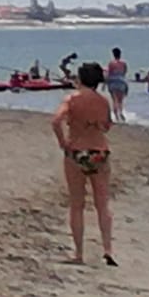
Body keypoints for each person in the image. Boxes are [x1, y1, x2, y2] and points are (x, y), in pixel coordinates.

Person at [51, 62, 116, 267]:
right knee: (102, 203)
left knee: (77, 204)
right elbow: (106, 126)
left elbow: (56, 120)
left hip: (77, 152)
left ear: (80, 79)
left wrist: (63, 142)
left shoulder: (72, 99)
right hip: (99, 151)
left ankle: (79, 253)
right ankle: (107, 249)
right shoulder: (103, 101)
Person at [104, 48, 128, 122]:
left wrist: (105, 84)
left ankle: (116, 117)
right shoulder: (124, 63)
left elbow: (109, 74)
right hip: (121, 82)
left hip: (113, 82)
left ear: (113, 54)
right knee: (120, 101)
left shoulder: (111, 63)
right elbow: (124, 73)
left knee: (114, 100)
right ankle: (121, 112)